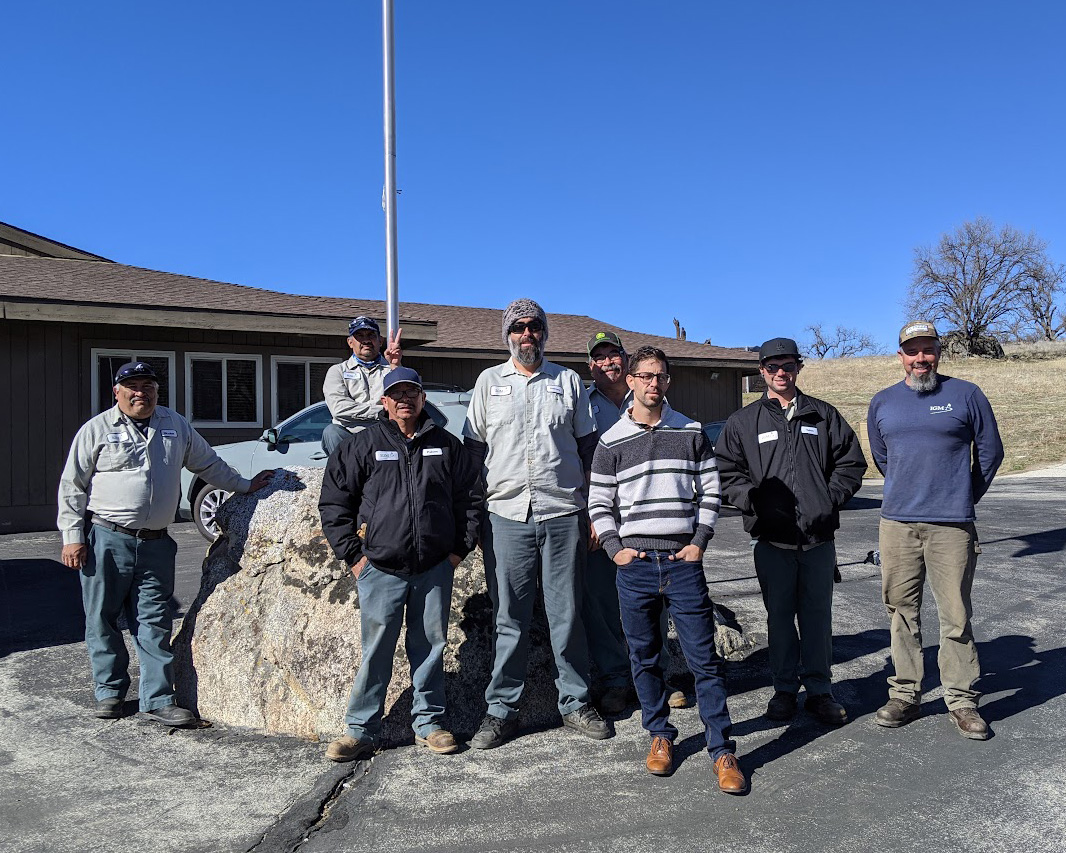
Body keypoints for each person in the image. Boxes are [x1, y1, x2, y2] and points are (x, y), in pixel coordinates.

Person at [58, 361, 274, 725]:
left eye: (149, 386)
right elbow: (72, 486)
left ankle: (157, 698)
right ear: (117, 391)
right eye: (132, 386)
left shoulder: (174, 425)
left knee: (155, 621)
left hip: (157, 544)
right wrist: (72, 538)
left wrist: (245, 485)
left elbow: (208, 464)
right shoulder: (96, 430)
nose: (141, 392)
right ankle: (109, 692)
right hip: (106, 538)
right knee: (102, 618)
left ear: (157, 391)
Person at [589, 346, 745, 792]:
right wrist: (617, 550)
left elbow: (711, 493)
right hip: (635, 566)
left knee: (704, 660)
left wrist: (699, 543)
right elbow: (599, 502)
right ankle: (660, 735)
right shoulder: (611, 440)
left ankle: (722, 750)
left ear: (667, 382)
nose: (653, 384)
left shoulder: (691, 431)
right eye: (645, 376)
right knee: (645, 657)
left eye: (660, 376)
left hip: (682, 563)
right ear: (632, 381)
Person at [463, 298, 608, 749]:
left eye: (535, 327)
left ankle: (576, 702)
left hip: (563, 512)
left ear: (545, 333)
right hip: (506, 516)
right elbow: (472, 452)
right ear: (507, 334)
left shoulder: (567, 382)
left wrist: (594, 512)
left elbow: (589, 453)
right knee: (510, 617)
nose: (527, 334)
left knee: (567, 615)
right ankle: (501, 710)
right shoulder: (488, 382)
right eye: (519, 327)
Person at [318, 367, 483, 760]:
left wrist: (458, 551)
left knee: (429, 647)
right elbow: (334, 502)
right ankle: (361, 730)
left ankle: (429, 723)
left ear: (424, 399)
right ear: (384, 401)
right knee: (376, 650)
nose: (405, 399)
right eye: (397, 394)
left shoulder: (446, 445)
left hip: (433, 568)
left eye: (412, 392)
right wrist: (354, 558)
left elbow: (471, 499)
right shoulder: (362, 445)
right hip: (379, 569)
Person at [715, 337, 867, 726]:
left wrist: (827, 500)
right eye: (772, 367)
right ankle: (784, 691)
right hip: (771, 541)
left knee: (817, 618)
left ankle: (819, 691)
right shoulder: (743, 423)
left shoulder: (823, 415)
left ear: (798, 367)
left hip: (818, 540)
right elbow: (726, 472)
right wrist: (755, 501)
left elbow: (850, 464)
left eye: (788, 366)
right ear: (761, 372)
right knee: (779, 618)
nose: (781, 373)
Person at [867, 321, 1003, 739]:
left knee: (956, 615)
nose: (920, 358)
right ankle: (905, 693)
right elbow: (881, 456)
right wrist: (911, 492)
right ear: (901, 355)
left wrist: (962, 495)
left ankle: (961, 700)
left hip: (952, 526)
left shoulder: (966, 394)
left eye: (928, 350)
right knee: (900, 612)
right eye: (913, 351)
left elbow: (991, 452)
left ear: (939, 352)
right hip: (898, 524)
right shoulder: (883, 402)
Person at [583, 331, 687, 714]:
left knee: (655, 601)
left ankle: (658, 675)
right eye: (600, 357)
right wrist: (596, 517)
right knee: (600, 600)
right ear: (590, 365)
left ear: (627, 363)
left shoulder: (649, 394)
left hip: (646, 522)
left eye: (614, 355)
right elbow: (579, 457)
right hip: (601, 520)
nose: (608, 362)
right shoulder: (581, 400)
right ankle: (615, 679)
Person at [321, 316, 403, 455]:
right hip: (350, 435)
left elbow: (404, 404)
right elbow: (339, 410)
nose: (366, 340)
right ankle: (347, 475)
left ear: (380, 341)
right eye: (359, 335)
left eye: (371, 335)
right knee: (331, 432)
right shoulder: (337, 371)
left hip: (385, 434)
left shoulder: (394, 370)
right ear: (350, 342)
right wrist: (382, 412)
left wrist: (395, 366)